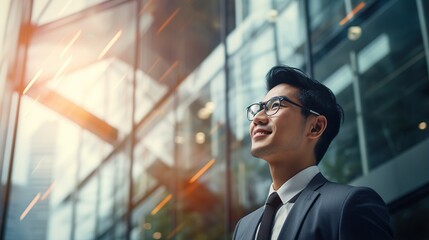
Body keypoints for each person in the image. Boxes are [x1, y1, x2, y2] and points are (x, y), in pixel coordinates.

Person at [233, 65, 393, 240]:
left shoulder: (347, 205)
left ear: (316, 127)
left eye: (275, 105)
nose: (257, 118)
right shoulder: (243, 229)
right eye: (258, 108)